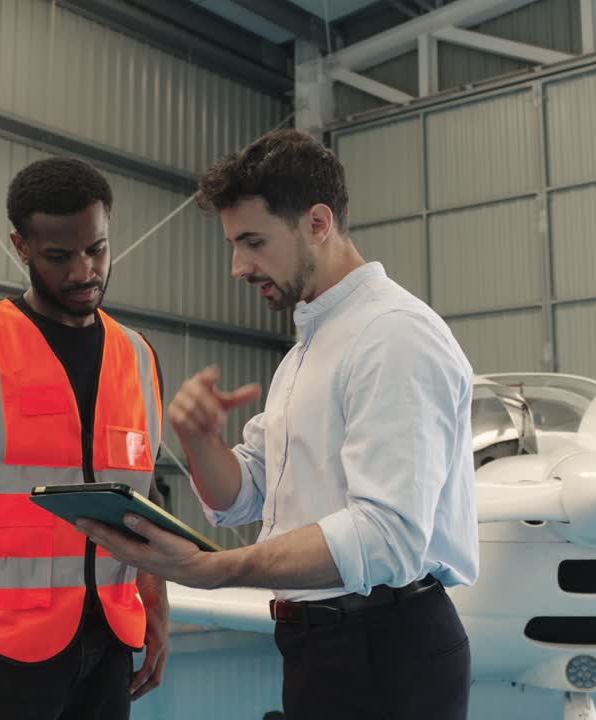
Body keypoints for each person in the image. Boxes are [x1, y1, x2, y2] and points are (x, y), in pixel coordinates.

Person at [78, 129, 479, 720]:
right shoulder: (308, 348)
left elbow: (386, 536)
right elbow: (244, 494)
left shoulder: (394, 337)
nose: (239, 267)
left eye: (253, 242)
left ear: (317, 223)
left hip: (388, 651)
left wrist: (212, 569)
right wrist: (200, 442)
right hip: (325, 644)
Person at [0, 157, 169, 720]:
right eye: (59, 256)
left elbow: (145, 501)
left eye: (96, 248)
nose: (83, 272)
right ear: (22, 247)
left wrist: (156, 609)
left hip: (111, 646)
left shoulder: (138, 357)